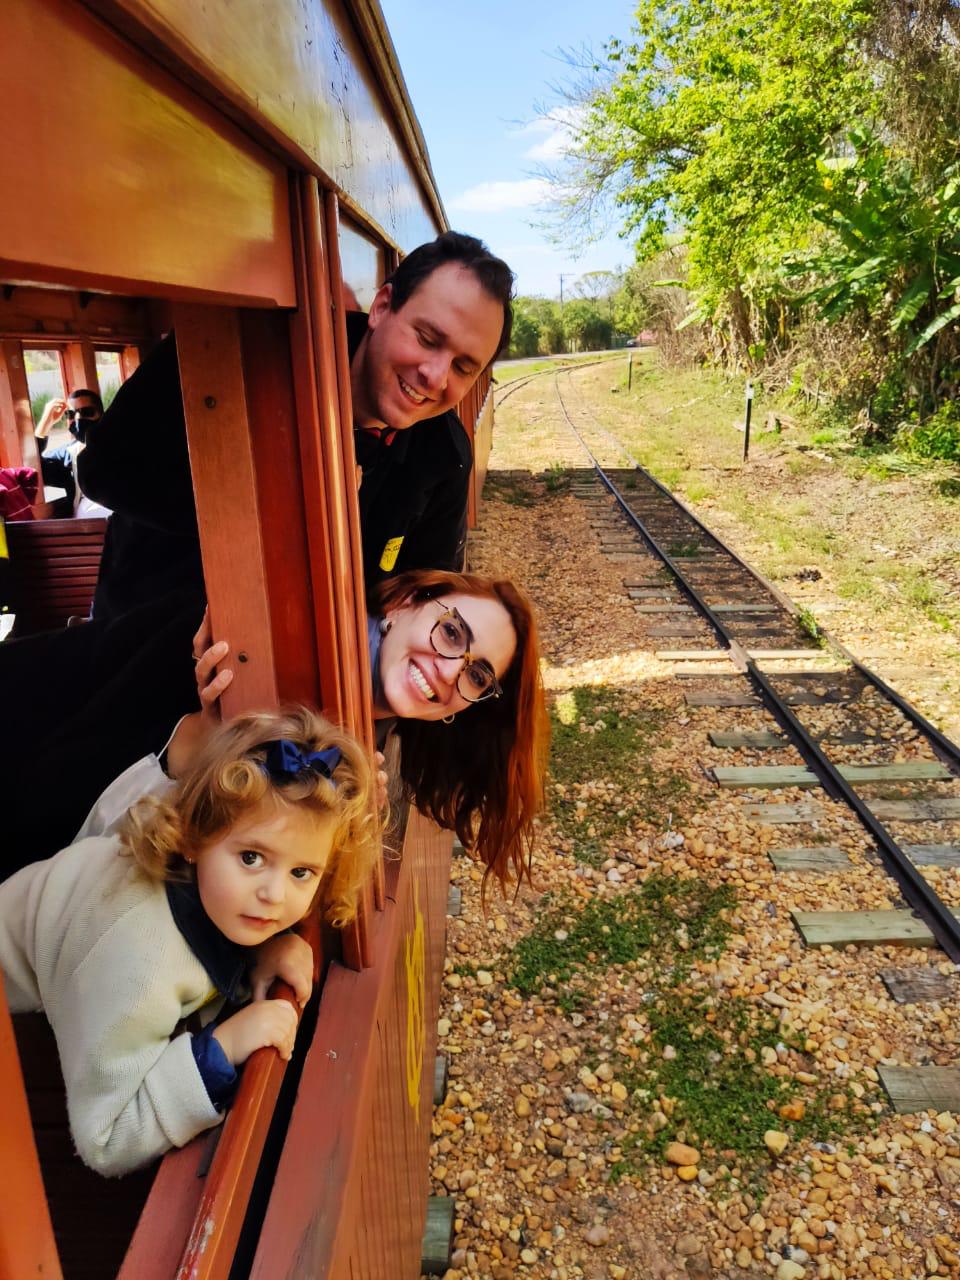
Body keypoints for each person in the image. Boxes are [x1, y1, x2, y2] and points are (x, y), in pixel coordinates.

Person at [0, 706, 378, 1177]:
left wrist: (258, 951)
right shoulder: (139, 965)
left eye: (301, 872)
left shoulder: (215, 895)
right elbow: (105, 1139)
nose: (274, 895)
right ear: (194, 838)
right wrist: (222, 1047)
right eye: (252, 857)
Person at [350, 231, 513, 584]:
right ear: (381, 308)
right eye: (426, 339)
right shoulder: (274, 370)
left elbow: (425, 596)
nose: (435, 378)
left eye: (462, 368)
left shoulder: (446, 456)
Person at [34, 389, 111, 518]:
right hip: (84, 525)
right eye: (71, 414)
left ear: (101, 414)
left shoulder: (121, 447)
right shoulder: (68, 454)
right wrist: (45, 424)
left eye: (86, 412)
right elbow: (36, 469)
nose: (78, 418)